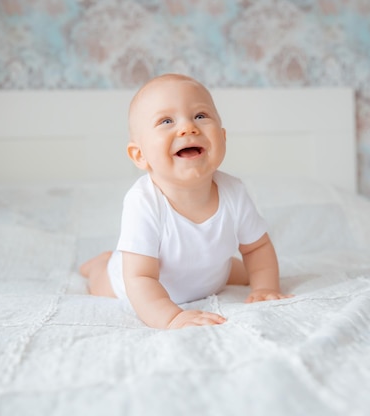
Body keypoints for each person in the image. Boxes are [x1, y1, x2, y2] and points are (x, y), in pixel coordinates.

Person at [79, 73, 292, 329]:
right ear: (139, 155)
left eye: (200, 116)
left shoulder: (233, 191)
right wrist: (172, 317)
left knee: (248, 269)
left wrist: (265, 287)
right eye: (166, 120)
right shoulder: (143, 202)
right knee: (100, 284)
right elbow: (140, 277)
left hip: (212, 273)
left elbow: (256, 249)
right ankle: (99, 264)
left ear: (223, 137)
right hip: (130, 281)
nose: (188, 128)